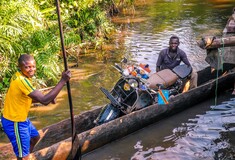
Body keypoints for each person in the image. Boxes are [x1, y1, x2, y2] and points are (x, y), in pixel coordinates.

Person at [1, 54, 71, 160]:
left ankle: (24, 154)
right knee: (24, 157)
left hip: (21, 118)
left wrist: (48, 97)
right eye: (27, 67)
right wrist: (63, 81)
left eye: (33, 66)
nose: (31, 69)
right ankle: (23, 157)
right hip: (15, 121)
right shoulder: (21, 81)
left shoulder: (20, 76)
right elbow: (44, 101)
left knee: (35, 137)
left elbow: (26, 97)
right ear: (20, 67)